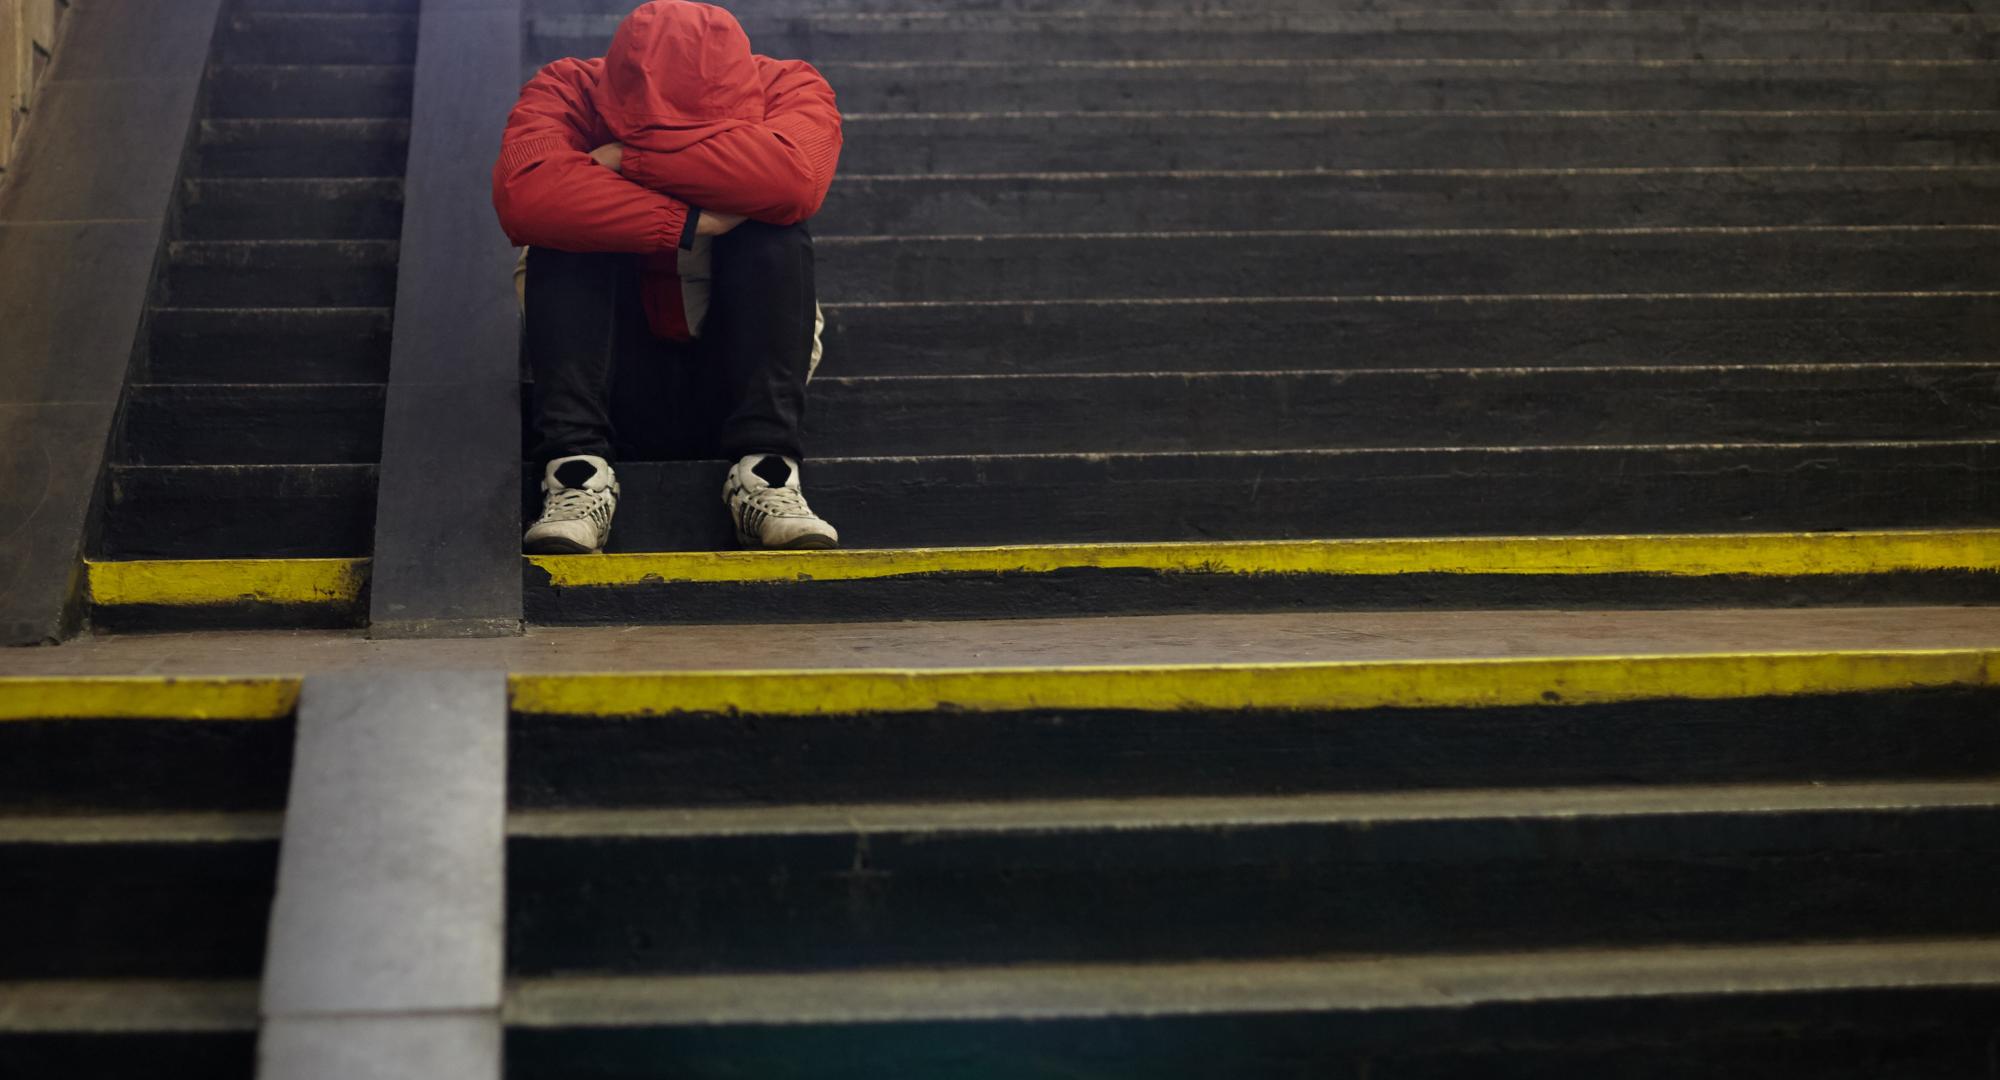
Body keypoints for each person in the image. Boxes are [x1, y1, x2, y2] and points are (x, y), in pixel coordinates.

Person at [492, 0, 841, 554]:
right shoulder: (567, 88)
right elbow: (525, 196)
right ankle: (576, 475)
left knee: (777, 231)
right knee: (564, 228)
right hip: (608, 389)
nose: (672, 130)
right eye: (652, 121)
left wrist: (625, 158)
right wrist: (688, 219)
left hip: (733, 388)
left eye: (695, 125)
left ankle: (766, 475)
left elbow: (795, 181)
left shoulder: (789, 86)